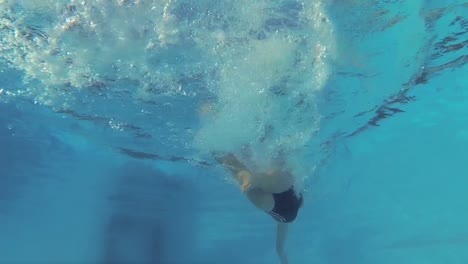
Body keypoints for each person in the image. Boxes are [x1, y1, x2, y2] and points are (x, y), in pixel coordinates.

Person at [215, 153, 303, 264]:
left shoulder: (295, 209)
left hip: (286, 190)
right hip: (271, 204)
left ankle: (254, 178)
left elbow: (280, 249)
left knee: (277, 170)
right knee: (237, 171)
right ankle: (246, 176)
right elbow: (279, 249)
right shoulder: (283, 222)